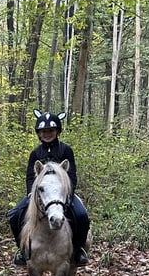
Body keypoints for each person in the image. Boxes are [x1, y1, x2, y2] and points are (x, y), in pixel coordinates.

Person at [8, 109, 90, 267]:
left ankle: (79, 250)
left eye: (50, 130)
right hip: (40, 195)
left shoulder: (66, 150)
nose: (47, 134)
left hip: (62, 194)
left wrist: (68, 194)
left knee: (81, 216)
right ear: (38, 133)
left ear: (57, 131)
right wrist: (32, 195)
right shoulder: (35, 153)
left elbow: (72, 175)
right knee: (15, 215)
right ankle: (22, 250)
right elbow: (30, 177)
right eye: (43, 131)